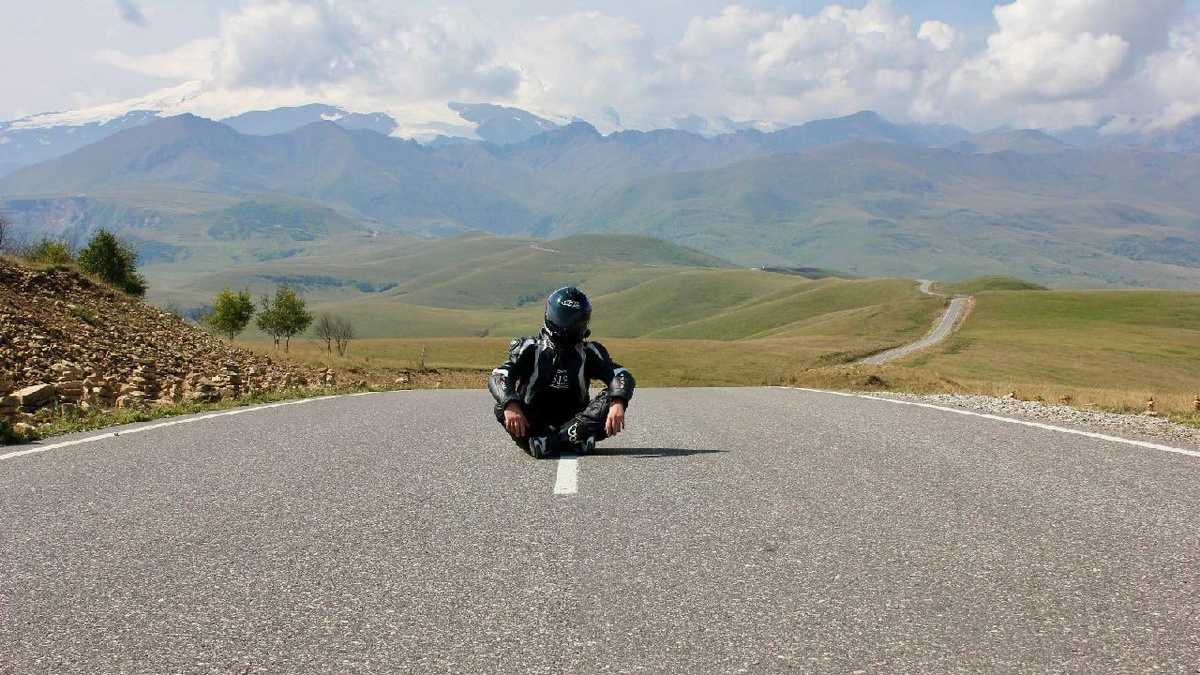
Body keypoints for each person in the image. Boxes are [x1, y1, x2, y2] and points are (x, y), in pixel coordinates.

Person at [488, 286, 635, 458]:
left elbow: (621, 374)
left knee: (614, 395)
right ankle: (574, 440)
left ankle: (549, 442)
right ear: (552, 316)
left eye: (579, 321)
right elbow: (500, 375)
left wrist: (618, 401)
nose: (572, 326)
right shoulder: (528, 348)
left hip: (579, 421)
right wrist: (510, 404)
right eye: (566, 319)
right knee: (502, 406)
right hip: (535, 422)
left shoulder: (590, 352)